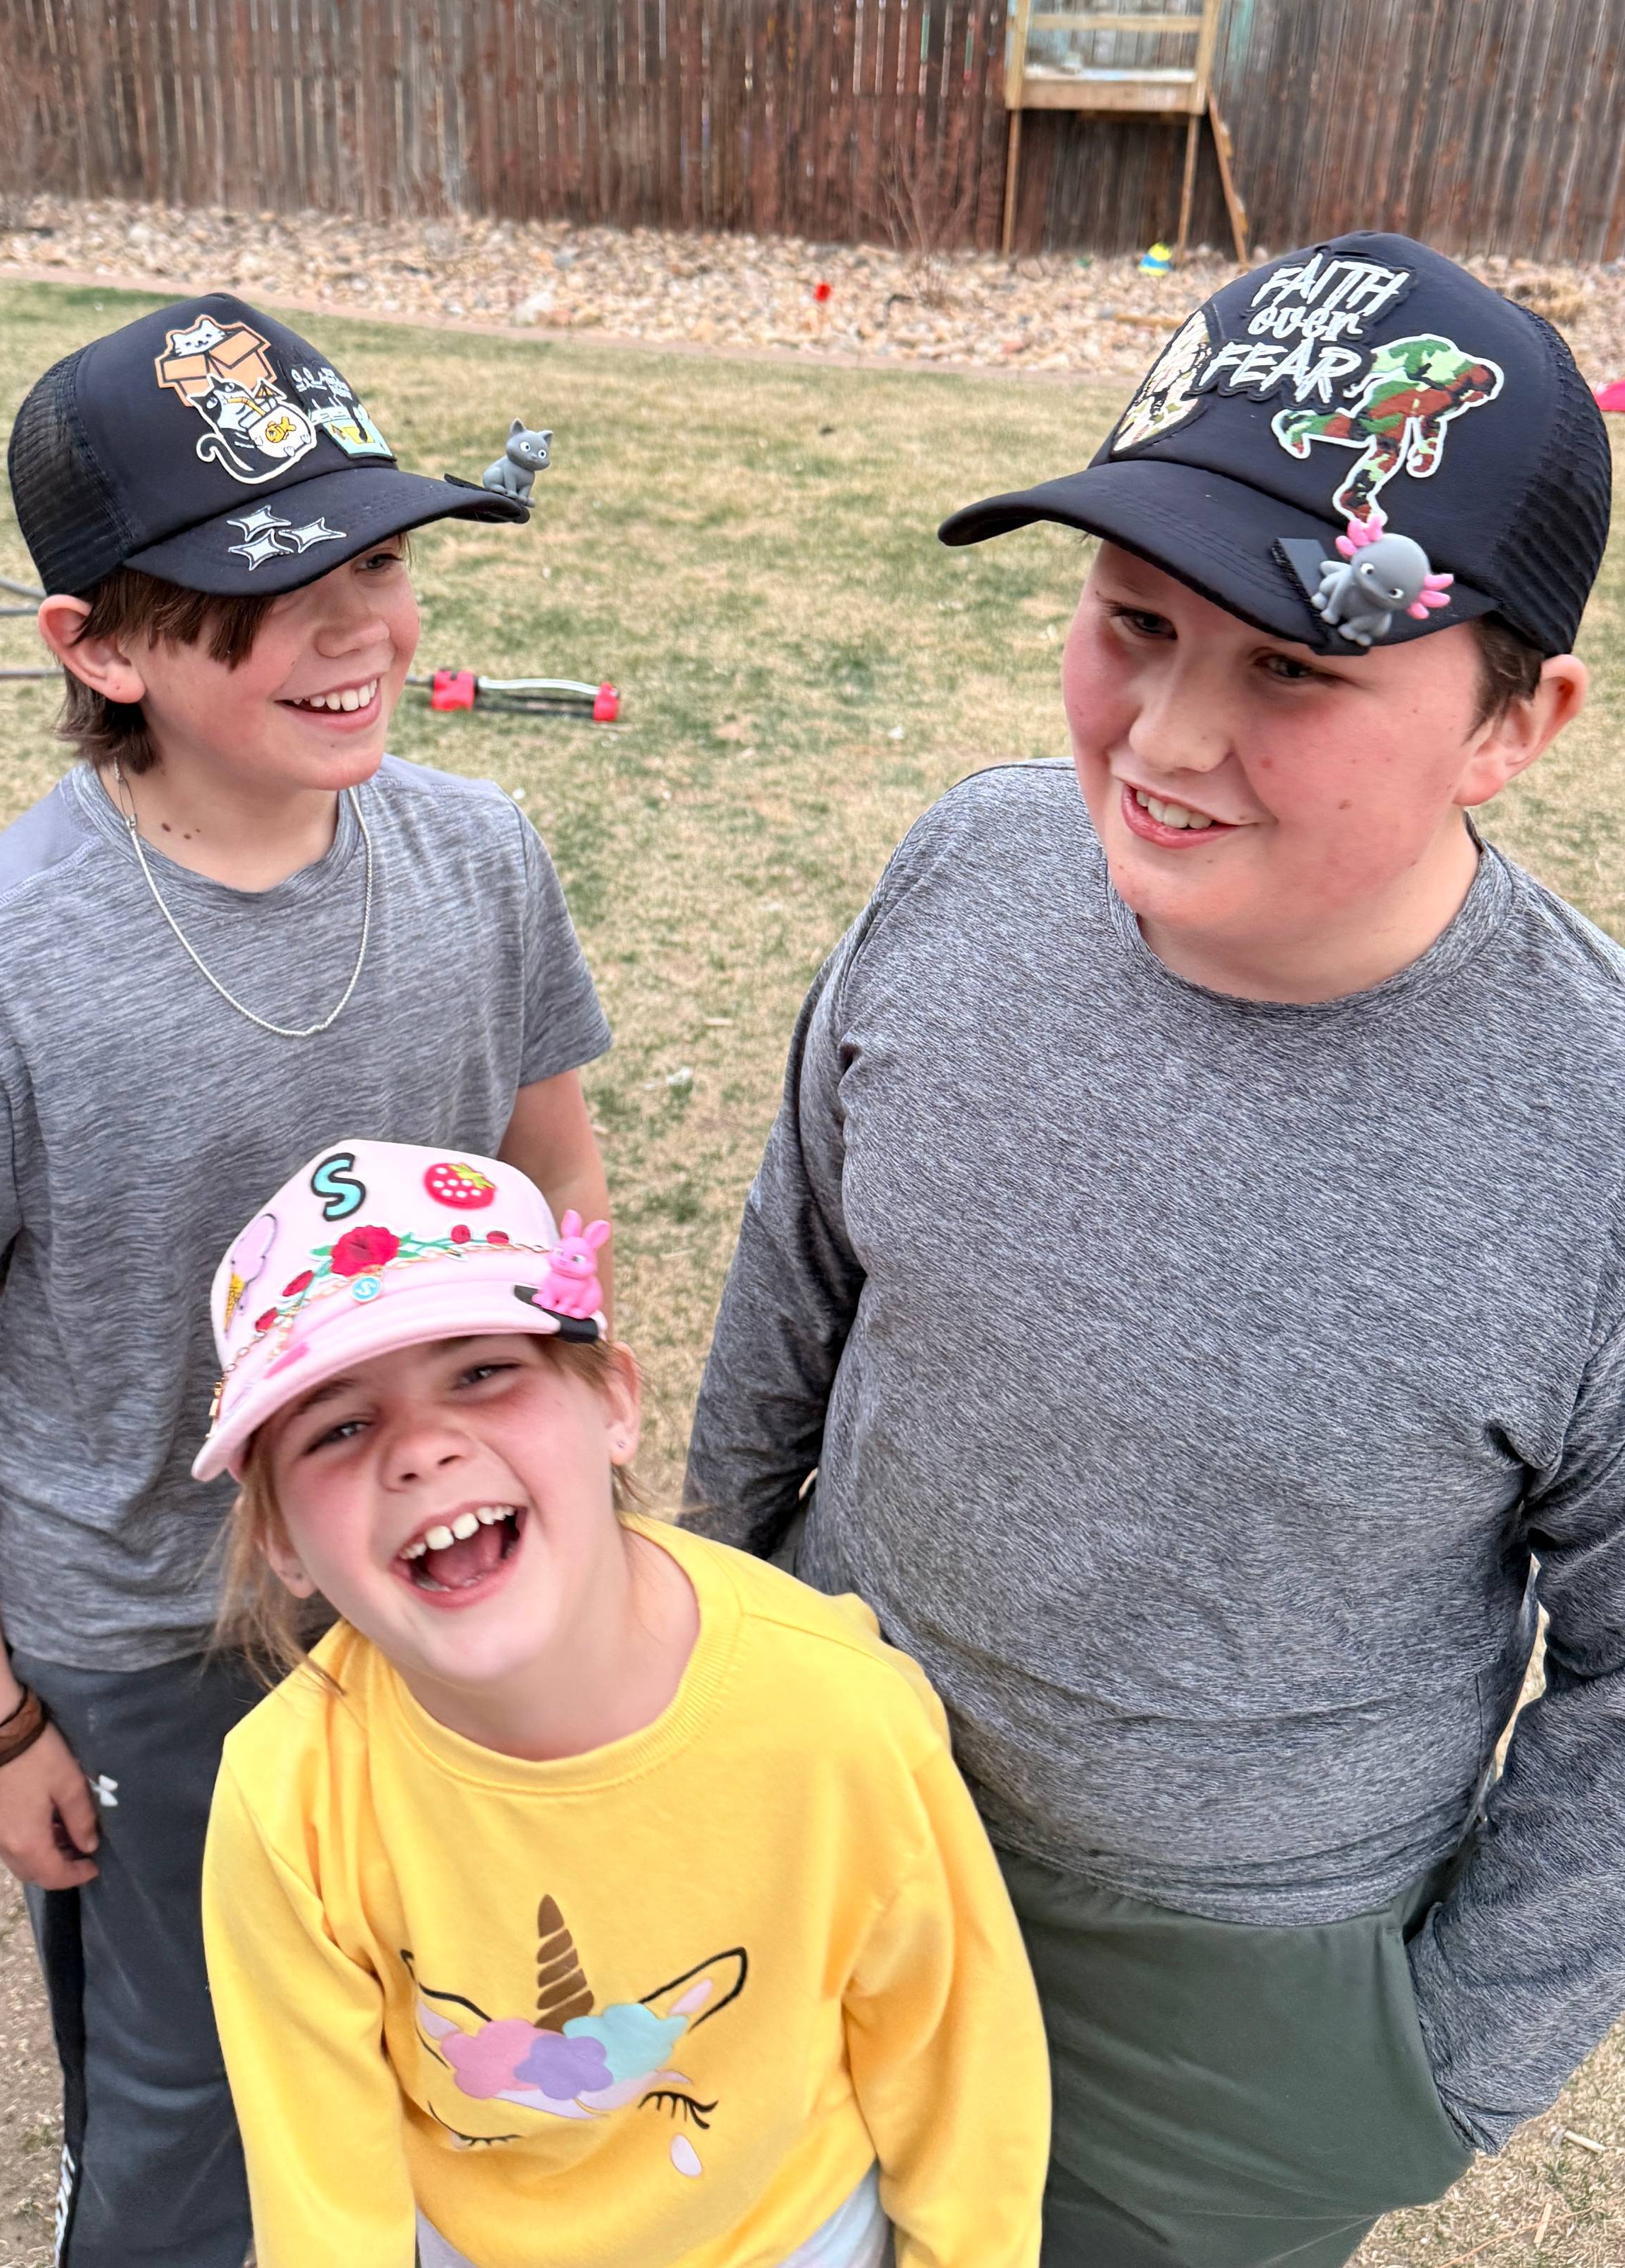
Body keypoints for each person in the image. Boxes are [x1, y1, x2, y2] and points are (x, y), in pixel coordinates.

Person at [685, 231, 1625, 2267]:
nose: (1167, 739)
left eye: (1294, 666)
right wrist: (706, 1654)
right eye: (1134, 621)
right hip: (831, 1826)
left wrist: (1442, 2066)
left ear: (1515, 721)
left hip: (1229, 2011)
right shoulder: (967, 866)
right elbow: (799, 1279)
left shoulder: (1599, 1131)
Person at [0, 295, 612, 2268]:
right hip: (158, 1652)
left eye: (378, 561)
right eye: (273, 589)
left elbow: (555, 1168)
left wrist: (560, 1445)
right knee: (203, 2083)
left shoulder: (480, 857)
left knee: (461, 2007)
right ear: (102, 646)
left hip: (449, 1574)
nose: (360, 628)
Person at [196, 1138, 1047, 2268]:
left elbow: (958, 2072)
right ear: (280, 1541)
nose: (422, 1450)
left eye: (481, 1372)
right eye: (337, 1428)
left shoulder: (839, 1714)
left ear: (612, 1400)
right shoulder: (285, 1800)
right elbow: (323, 2198)